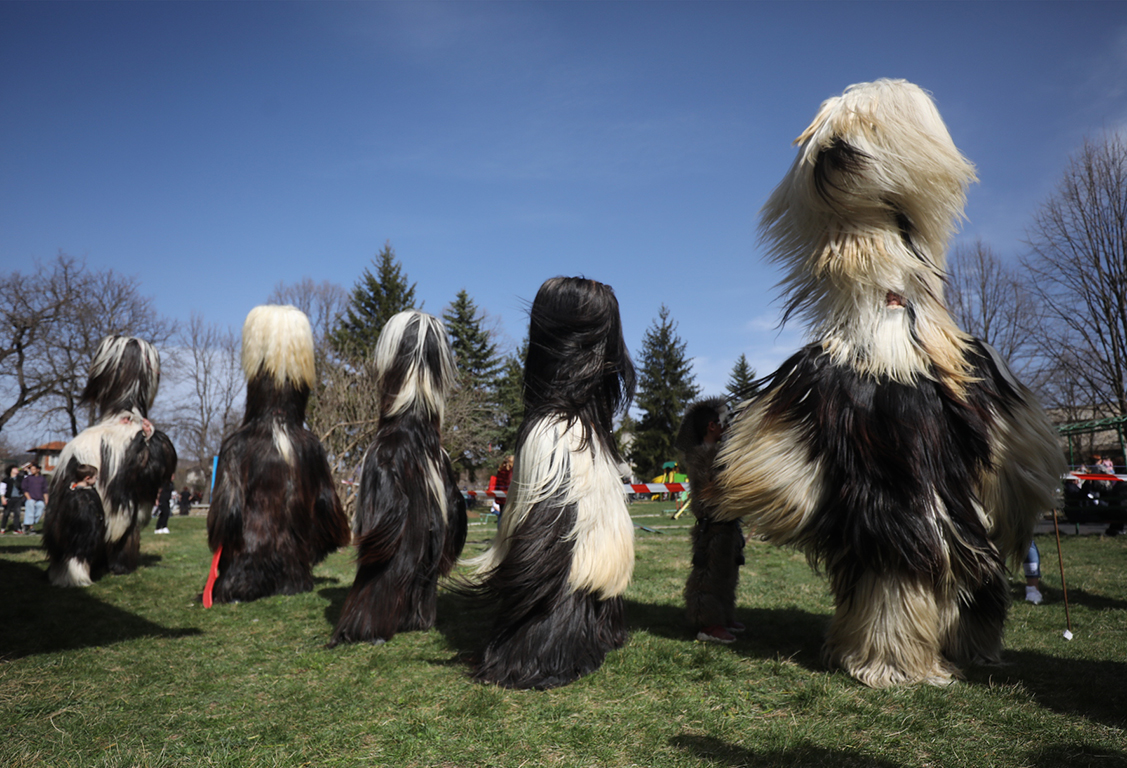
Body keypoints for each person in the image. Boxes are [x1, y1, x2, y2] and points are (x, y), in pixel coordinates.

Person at [676, 398, 746, 644]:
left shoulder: (715, 453)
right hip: (713, 527)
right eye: (724, 423)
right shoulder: (703, 456)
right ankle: (708, 624)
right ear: (712, 426)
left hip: (727, 526)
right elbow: (710, 492)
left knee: (728, 575)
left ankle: (724, 616)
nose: (728, 428)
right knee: (709, 577)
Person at [21, 463, 48, 534]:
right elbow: (24, 490)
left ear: (38, 470)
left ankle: (27, 524)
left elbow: (45, 490)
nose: (32, 471)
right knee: (30, 510)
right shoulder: (27, 478)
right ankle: (31, 527)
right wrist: (29, 498)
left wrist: (46, 500)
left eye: (33, 469)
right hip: (30, 499)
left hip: (39, 499)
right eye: (31, 469)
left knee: (41, 508)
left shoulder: (42, 479)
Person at [1, 464, 24, 534]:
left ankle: (16, 528)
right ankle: (3, 528)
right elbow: (2, 489)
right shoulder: (6, 480)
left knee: (17, 513)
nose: (17, 469)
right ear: (11, 470)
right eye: (15, 468)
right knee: (6, 513)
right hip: (9, 499)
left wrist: (26, 470)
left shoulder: (20, 479)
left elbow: (27, 478)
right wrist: (3, 498)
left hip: (18, 499)